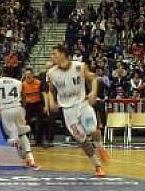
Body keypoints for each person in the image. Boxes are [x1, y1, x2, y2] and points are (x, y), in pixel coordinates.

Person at [46, 45, 108, 178]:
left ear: (63, 54)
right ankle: (97, 166)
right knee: (82, 140)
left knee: (93, 130)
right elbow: (51, 90)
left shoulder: (79, 66)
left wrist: (93, 92)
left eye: (55, 54)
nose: (52, 57)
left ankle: (100, 147)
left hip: (82, 105)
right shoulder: (51, 73)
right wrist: (51, 101)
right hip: (68, 110)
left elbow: (94, 78)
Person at [0, 66, 39, 169]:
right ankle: (30, 158)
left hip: (5, 109)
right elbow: (23, 97)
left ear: (3, 73)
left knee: (12, 137)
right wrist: (22, 107)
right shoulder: (19, 82)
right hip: (17, 108)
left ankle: (15, 142)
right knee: (22, 133)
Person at [22, 68, 46, 147]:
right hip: (28, 105)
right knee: (26, 122)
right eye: (26, 75)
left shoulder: (39, 82)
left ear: (32, 75)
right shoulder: (22, 84)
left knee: (41, 122)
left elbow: (44, 94)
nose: (27, 76)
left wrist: (46, 106)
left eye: (29, 74)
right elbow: (22, 96)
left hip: (38, 103)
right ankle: (26, 141)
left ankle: (39, 141)